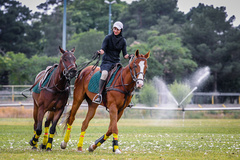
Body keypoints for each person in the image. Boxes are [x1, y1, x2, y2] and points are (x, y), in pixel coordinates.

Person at [93, 21, 131, 104]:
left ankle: (127, 97)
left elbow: (125, 55)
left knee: (123, 75)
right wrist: (100, 51)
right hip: (106, 62)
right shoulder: (108, 38)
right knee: (104, 74)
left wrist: (130, 56)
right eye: (114, 29)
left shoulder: (123, 41)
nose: (116, 31)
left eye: (117, 29)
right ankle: (99, 95)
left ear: (121, 30)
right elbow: (103, 49)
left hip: (116, 63)